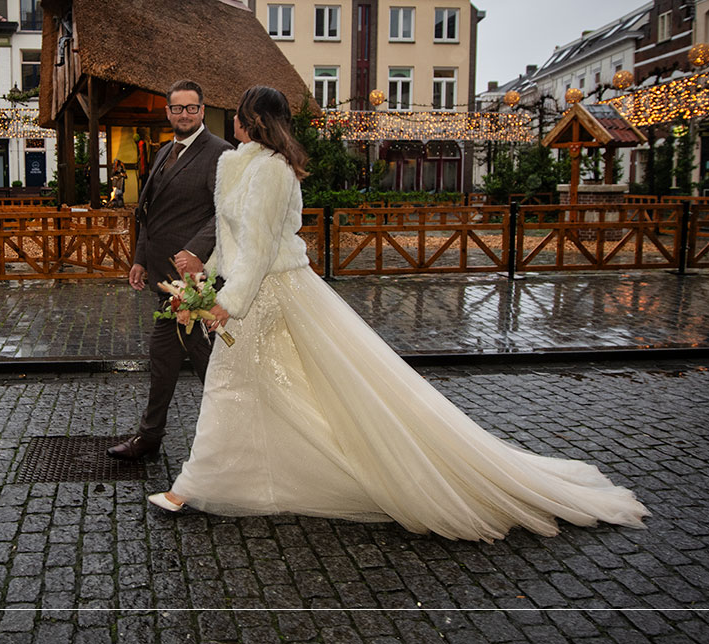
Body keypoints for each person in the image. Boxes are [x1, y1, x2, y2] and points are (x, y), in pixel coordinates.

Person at [146, 86, 649, 542]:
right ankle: (243, 476)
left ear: (251, 119)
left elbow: (259, 250)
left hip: (273, 294)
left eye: (236, 114)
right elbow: (235, 239)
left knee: (234, 386)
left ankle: (194, 485)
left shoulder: (273, 171)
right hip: (251, 289)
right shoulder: (239, 165)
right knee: (266, 389)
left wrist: (226, 304)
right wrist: (203, 273)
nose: (230, 121)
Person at [107, 79, 233, 461]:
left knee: (209, 365)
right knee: (162, 360)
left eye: (191, 108)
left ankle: (233, 437)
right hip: (166, 282)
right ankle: (150, 437)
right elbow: (149, 213)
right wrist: (140, 257)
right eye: (176, 108)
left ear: (202, 110)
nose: (183, 114)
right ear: (167, 112)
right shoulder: (164, 151)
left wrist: (195, 251)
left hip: (195, 282)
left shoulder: (220, 153)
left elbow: (222, 213)